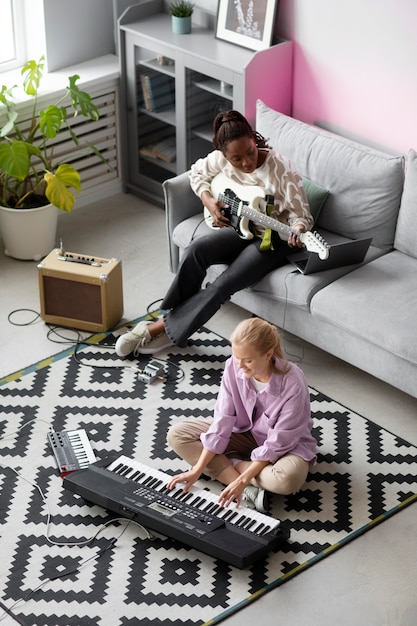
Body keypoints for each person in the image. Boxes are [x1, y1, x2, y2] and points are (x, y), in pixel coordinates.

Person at [115, 110, 313, 357]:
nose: (246, 163)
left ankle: (156, 329)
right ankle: (169, 324)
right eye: (236, 159)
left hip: (271, 239)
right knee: (196, 250)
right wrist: (209, 202)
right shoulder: (220, 159)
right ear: (225, 155)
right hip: (242, 227)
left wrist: (298, 229)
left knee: (223, 285)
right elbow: (197, 173)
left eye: (250, 152)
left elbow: (302, 216)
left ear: (254, 138)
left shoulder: (281, 169)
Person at [166, 317, 317, 512]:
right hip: (243, 433)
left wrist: (242, 478)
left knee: (287, 480)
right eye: (236, 356)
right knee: (177, 435)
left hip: (285, 447)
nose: (240, 365)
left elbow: (280, 441)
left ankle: (229, 466)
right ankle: (247, 490)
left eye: (247, 360)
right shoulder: (233, 366)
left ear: (268, 354)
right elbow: (223, 418)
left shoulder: (293, 382)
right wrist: (196, 470)